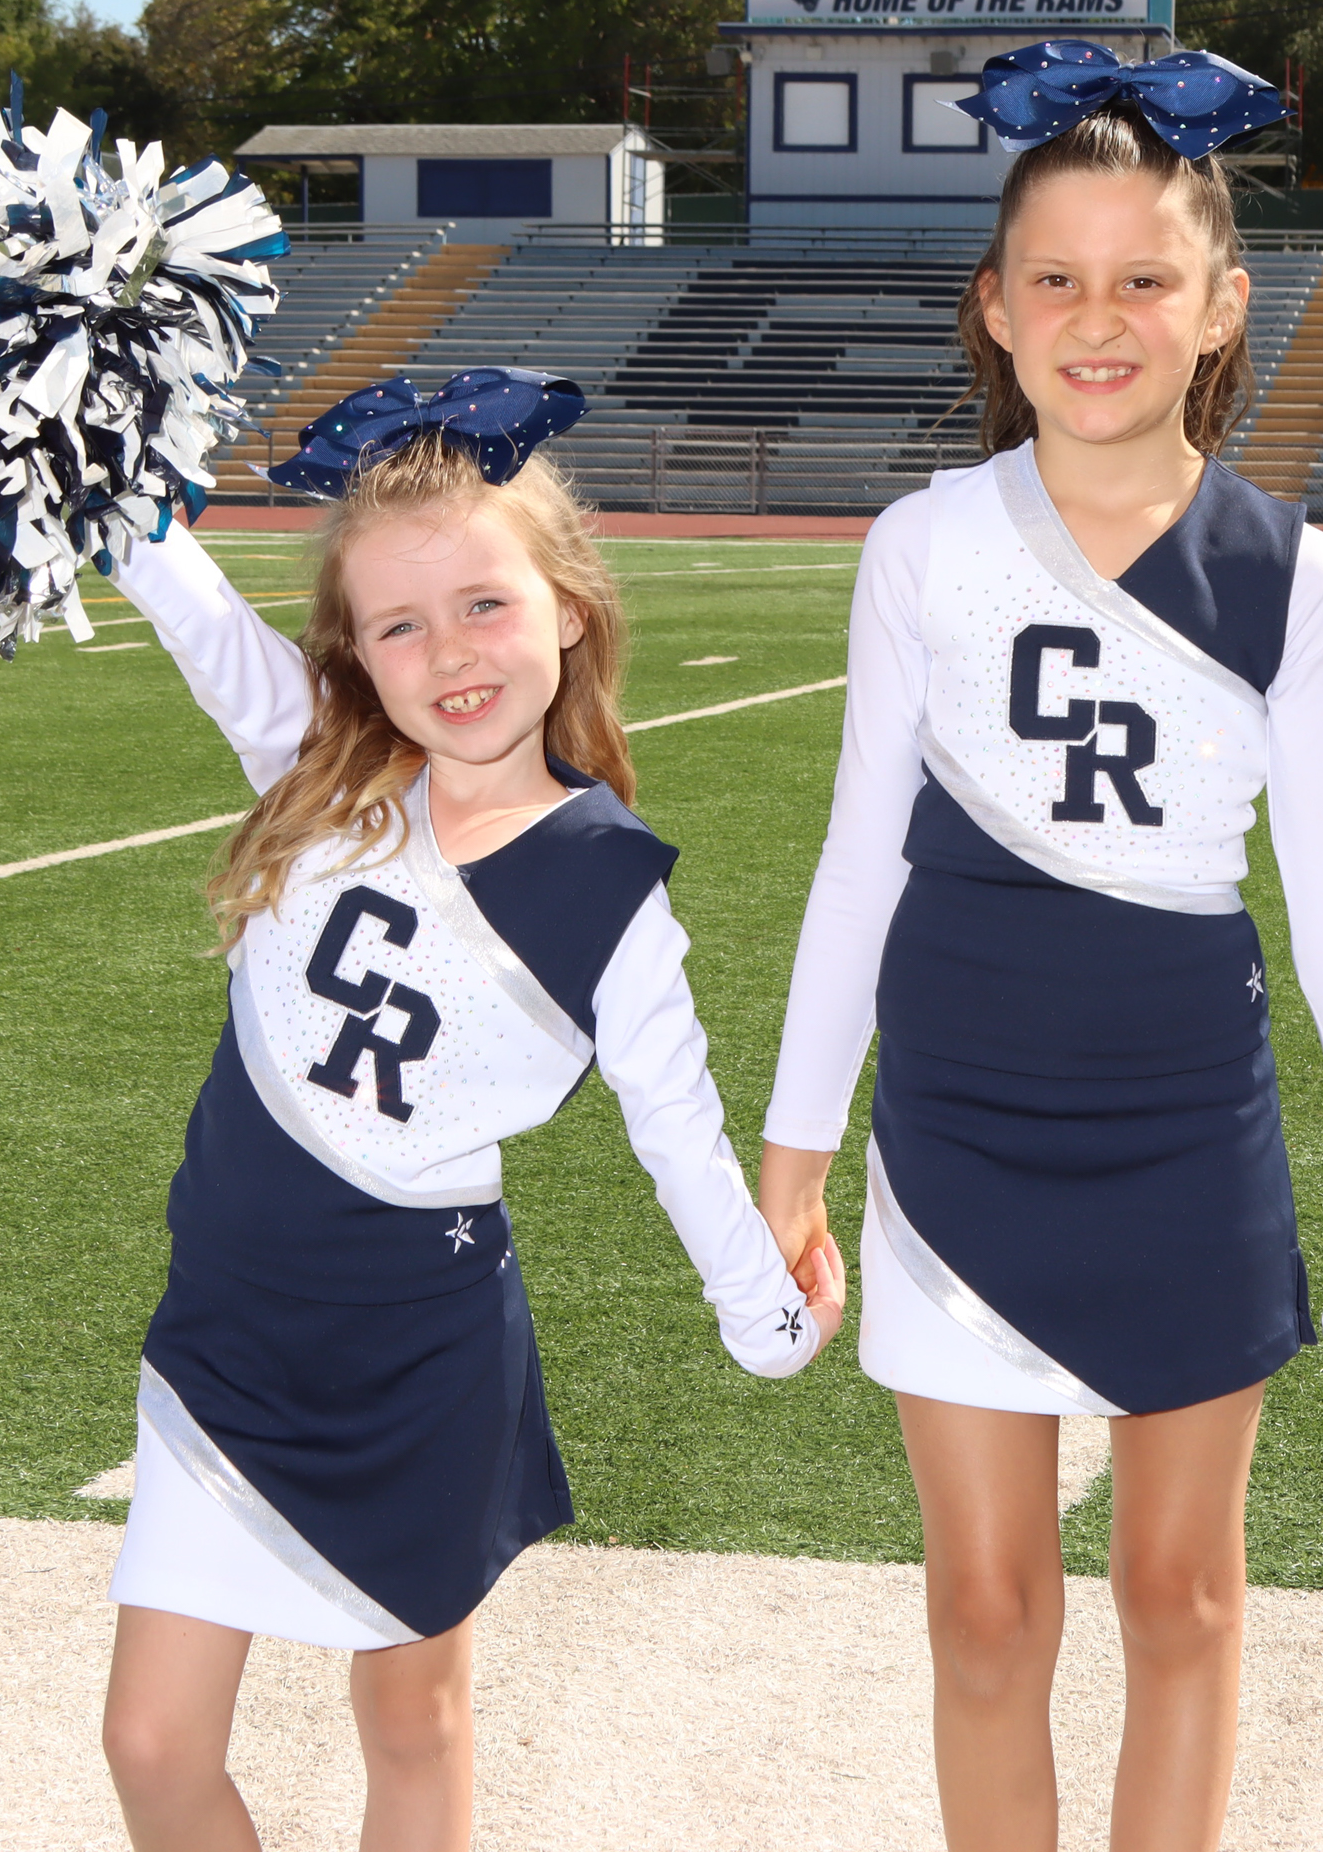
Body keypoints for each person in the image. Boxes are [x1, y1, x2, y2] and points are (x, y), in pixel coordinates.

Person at [757, 41, 1323, 1851]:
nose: (1096, 320)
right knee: (983, 1612)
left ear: (1221, 308)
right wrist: (795, 1152)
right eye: (1055, 278)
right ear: (995, 304)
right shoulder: (923, 545)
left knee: (1179, 1598)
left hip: (1186, 1130)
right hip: (959, 1130)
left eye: (1143, 280)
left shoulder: (1294, 576)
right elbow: (859, 862)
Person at [93, 375, 842, 1852]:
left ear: (569, 609)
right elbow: (188, 603)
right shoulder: (314, 769)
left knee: (412, 1723)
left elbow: (676, 1128)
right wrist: (72, 439)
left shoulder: (609, 886)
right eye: (398, 626)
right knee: (150, 1742)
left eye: (485, 605)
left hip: (417, 1350)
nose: (448, 653)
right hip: (226, 1331)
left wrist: (766, 1317)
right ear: (353, 655)